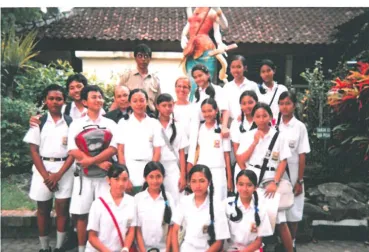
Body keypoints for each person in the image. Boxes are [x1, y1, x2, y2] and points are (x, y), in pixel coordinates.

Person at [23, 84, 75, 252]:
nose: (55, 102)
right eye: (51, 98)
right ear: (45, 100)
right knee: (43, 210)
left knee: (62, 209)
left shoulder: (70, 123)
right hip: (42, 170)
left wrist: (58, 175)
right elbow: (34, 150)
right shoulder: (39, 122)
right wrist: (47, 176)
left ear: (64, 101)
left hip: (64, 170)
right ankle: (44, 247)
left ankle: (59, 247)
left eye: (59, 98)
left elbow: (73, 152)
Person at [236, 102, 293, 252]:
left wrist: (275, 182)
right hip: (251, 179)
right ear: (253, 118)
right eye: (257, 116)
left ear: (271, 117)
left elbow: (283, 161)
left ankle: (290, 249)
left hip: (271, 179)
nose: (261, 119)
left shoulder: (279, 136)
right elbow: (241, 159)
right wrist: (255, 142)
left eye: (264, 116)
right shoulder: (248, 135)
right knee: (250, 214)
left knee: (280, 219)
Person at [67, 85, 118, 252]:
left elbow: (113, 148)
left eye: (100, 97)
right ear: (84, 101)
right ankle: (82, 248)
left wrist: (93, 161)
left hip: (104, 177)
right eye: (94, 97)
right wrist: (96, 162)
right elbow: (73, 150)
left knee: (104, 212)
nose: (98, 100)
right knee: (82, 215)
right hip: (83, 177)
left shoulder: (110, 123)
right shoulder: (77, 124)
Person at [113, 89, 165, 195]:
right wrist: (125, 177)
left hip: (149, 168)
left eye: (142, 100)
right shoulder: (123, 123)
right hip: (130, 168)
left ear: (146, 102)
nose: (138, 104)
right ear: (130, 103)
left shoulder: (154, 123)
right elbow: (121, 152)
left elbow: (157, 151)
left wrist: (151, 174)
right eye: (135, 101)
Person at [277, 91, 311, 252]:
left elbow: (302, 155)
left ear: (294, 105)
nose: (284, 107)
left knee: (294, 212)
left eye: (288, 103)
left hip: (294, 172)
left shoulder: (299, 127)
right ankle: (282, 242)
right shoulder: (274, 125)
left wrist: (300, 180)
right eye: (281, 103)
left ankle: (293, 242)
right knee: (279, 209)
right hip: (278, 173)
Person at [171, 164, 230, 252]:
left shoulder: (217, 205)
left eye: (202, 181)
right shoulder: (184, 201)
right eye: (193, 181)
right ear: (189, 183)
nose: (197, 186)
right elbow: (175, 231)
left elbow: (219, 241)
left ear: (209, 182)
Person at [187, 98, 233, 201]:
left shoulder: (223, 130)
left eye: (210, 111)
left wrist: (229, 178)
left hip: (218, 172)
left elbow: (227, 155)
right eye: (204, 111)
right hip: (201, 172)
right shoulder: (199, 129)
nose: (207, 114)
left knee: (219, 202)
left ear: (216, 111)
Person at [181, 7, 229, 102]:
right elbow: (188, 25)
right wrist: (183, 36)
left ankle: (209, 105)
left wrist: (219, 43)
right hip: (191, 50)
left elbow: (224, 27)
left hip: (206, 50)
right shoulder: (193, 9)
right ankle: (193, 105)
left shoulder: (211, 11)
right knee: (192, 83)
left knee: (207, 83)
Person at [86, 163, 135, 252]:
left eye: (124, 179)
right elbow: (92, 237)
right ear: (108, 180)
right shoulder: (98, 204)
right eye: (116, 179)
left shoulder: (132, 202)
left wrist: (126, 248)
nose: (121, 183)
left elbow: (131, 230)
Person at [224, 170, 273, 251]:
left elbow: (258, 241)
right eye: (241, 184)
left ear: (255, 187)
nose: (244, 189)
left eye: (249, 185)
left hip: (252, 249)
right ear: (236, 185)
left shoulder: (261, 208)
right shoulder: (227, 204)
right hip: (230, 248)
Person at [133, 161, 176, 252]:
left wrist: (167, 250)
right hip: (142, 249)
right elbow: (137, 229)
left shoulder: (168, 198)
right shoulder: (138, 199)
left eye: (158, 176)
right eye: (151, 177)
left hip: (163, 249)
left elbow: (171, 227)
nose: (155, 181)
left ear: (163, 177)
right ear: (145, 178)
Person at [156, 93, 189, 203]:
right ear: (157, 106)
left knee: (176, 200)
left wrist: (183, 176)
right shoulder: (152, 124)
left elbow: (181, 152)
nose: (167, 108)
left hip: (173, 168)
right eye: (164, 105)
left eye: (170, 105)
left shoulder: (178, 126)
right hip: (156, 167)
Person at [114, 43, 161, 116]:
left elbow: (158, 103)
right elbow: (118, 97)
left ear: (150, 59)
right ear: (135, 58)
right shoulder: (127, 76)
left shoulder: (155, 80)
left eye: (146, 56)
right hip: (130, 116)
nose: (143, 59)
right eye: (140, 56)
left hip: (150, 116)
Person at [230, 90, 258, 190]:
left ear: (257, 103)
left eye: (250, 102)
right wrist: (245, 172)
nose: (247, 106)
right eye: (244, 103)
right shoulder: (236, 124)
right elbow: (236, 151)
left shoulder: (262, 121)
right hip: (241, 168)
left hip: (259, 168)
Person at [224, 55, 261, 122]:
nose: (236, 70)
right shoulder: (227, 87)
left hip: (249, 121)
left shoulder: (252, 85)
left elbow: (258, 105)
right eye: (233, 67)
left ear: (245, 68)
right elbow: (225, 108)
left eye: (239, 67)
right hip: (231, 122)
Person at [258, 59, 288, 125]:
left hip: (281, 125)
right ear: (260, 74)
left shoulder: (282, 89)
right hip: (264, 126)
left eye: (268, 70)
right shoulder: (257, 90)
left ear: (274, 71)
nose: (266, 74)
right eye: (263, 72)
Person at [173, 76, 193, 156]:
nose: (181, 89)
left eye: (185, 87)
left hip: (189, 151)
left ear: (189, 90)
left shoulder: (194, 108)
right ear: (175, 88)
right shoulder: (169, 108)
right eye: (179, 86)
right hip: (173, 150)